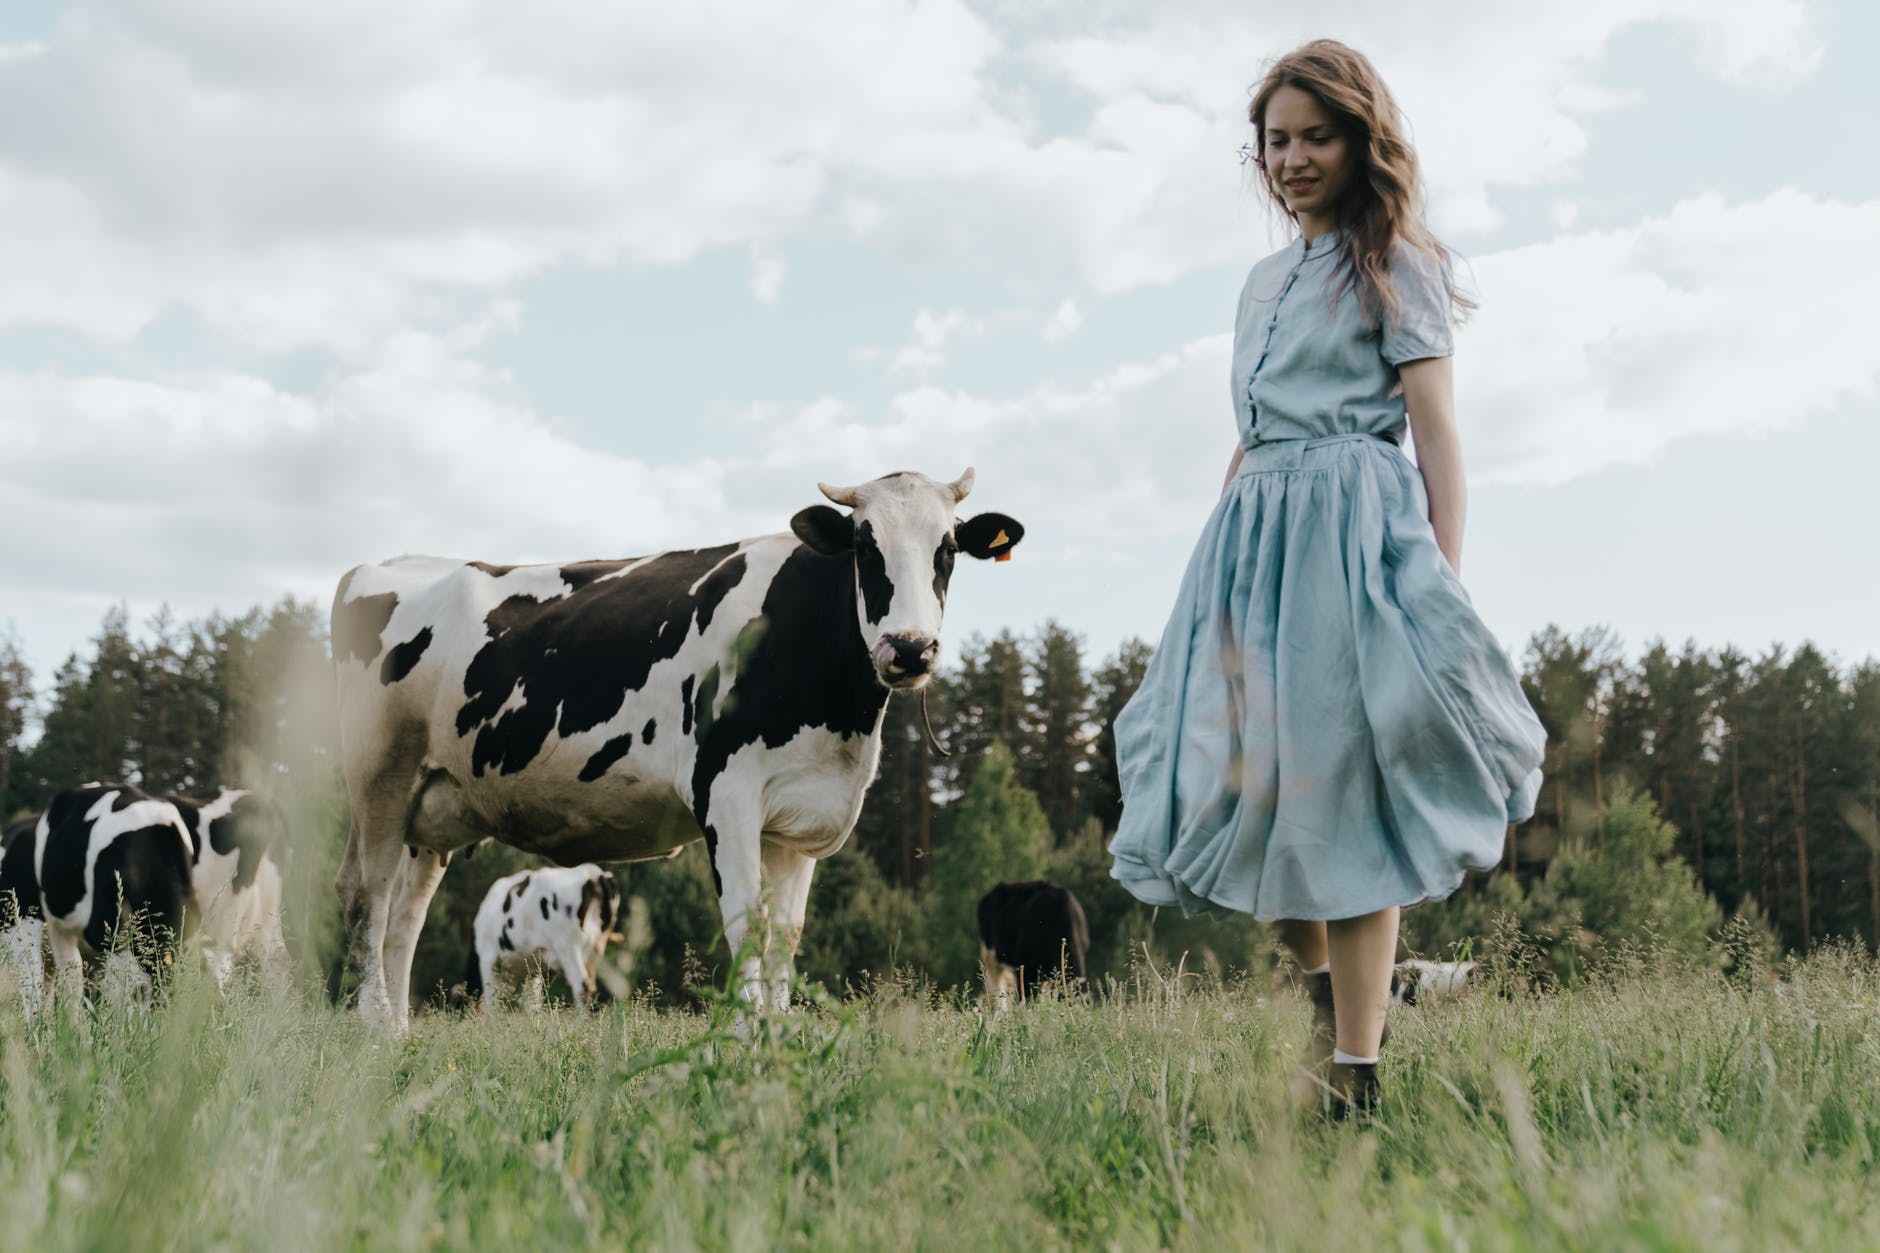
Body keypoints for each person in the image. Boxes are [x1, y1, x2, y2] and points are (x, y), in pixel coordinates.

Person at [1108, 39, 1546, 1119]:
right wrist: (1209, 554)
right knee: (1235, 780)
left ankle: (1355, 1075)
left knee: (1343, 802)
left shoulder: (1397, 261)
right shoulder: (1261, 281)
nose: (1293, 158)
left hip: (1354, 540)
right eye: (1276, 140)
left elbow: (1436, 433)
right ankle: (1332, 999)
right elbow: (1249, 433)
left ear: (1361, 142)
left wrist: (1438, 584)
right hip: (1250, 540)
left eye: (1315, 136)